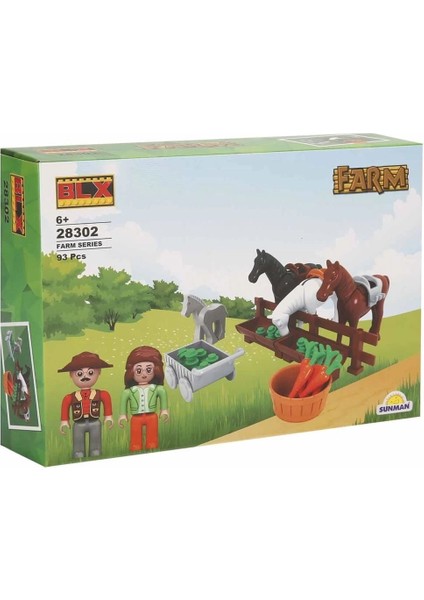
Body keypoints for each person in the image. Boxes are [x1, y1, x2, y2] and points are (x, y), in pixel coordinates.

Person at [59, 351, 113, 458]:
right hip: (78, 423)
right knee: (78, 443)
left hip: (95, 422)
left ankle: (96, 452)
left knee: (96, 444)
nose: (85, 376)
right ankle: (78, 453)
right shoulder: (71, 397)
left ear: (99, 372)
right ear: (71, 375)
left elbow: (106, 398)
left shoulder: (99, 394)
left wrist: (108, 416)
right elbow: (65, 404)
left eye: (90, 372)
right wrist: (64, 421)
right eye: (79, 374)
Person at [119, 346, 169, 451]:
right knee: (135, 436)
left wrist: (164, 410)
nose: (144, 374)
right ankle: (135, 447)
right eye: (139, 370)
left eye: (148, 370)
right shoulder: (129, 391)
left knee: (152, 436)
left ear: (155, 370)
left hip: (152, 416)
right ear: (132, 371)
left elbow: (162, 393)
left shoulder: (156, 388)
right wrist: (123, 415)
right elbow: (124, 401)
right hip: (136, 417)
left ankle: (152, 446)